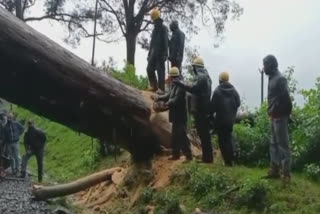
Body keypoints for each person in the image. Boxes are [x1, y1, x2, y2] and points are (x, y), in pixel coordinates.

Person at [174, 57, 213, 163]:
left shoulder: (201, 77)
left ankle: (207, 158)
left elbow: (193, 88)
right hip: (203, 109)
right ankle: (207, 157)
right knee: (204, 135)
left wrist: (180, 83)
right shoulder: (206, 76)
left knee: (204, 135)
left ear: (196, 67)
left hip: (201, 110)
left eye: (193, 67)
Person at [263, 55, 292, 182]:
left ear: (271, 65)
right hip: (273, 116)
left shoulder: (280, 79)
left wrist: (282, 113)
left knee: (283, 145)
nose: (263, 68)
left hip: (280, 116)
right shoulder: (271, 78)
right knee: (273, 144)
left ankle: (286, 174)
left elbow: (286, 99)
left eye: (265, 65)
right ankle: (274, 170)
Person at [156, 67, 192, 160]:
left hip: (180, 115)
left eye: (170, 76)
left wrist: (167, 103)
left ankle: (188, 155)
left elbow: (176, 99)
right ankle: (176, 155)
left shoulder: (181, 86)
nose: (169, 78)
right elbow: (169, 95)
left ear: (173, 77)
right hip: (176, 115)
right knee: (175, 136)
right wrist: (160, 98)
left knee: (182, 135)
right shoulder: (174, 84)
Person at [210, 72, 240, 166]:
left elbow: (213, 107)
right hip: (230, 120)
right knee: (229, 137)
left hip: (220, 120)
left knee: (222, 140)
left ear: (220, 80)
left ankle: (227, 161)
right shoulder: (234, 90)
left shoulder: (217, 91)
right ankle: (232, 158)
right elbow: (238, 103)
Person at [146, 8, 169, 94]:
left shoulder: (164, 28)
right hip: (153, 52)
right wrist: (149, 54)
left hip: (161, 53)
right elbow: (151, 43)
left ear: (159, 19)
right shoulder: (154, 30)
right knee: (149, 69)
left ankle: (161, 89)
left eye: (155, 20)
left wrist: (165, 54)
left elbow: (166, 42)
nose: (154, 22)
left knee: (160, 71)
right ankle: (154, 86)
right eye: (154, 20)